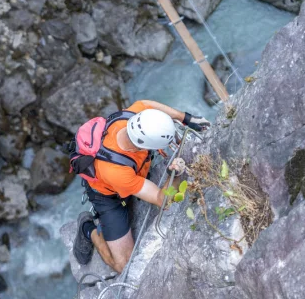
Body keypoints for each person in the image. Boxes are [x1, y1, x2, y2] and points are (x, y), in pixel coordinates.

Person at [72, 100, 210, 273]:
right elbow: (163, 200)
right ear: (143, 146)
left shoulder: (135, 115)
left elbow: (146, 103)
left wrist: (186, 118)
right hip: (107, 196)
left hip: (129, 173)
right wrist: (175, 174)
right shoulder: (116, 172)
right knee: (122, 265)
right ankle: (88, 229)